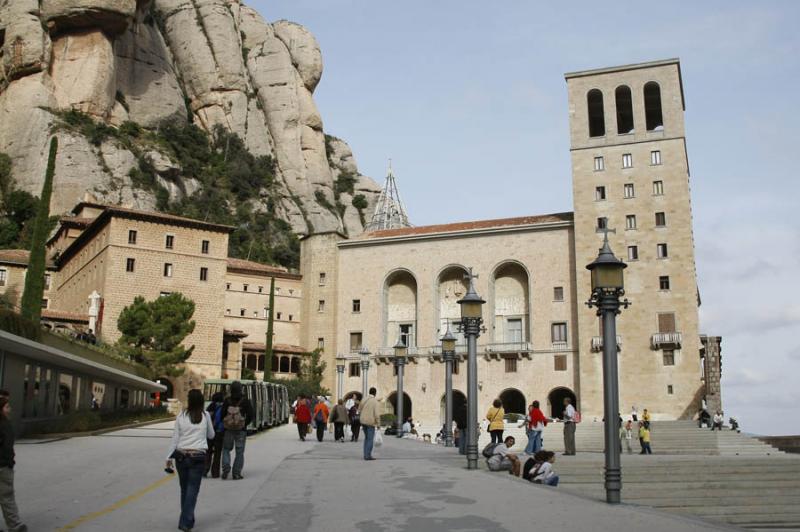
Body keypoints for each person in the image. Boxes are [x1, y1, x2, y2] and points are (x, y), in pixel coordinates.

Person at [165, 389, 214, 532]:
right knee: (192, 490)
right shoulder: (205, 416)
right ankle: (186, 521)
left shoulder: (181, 416)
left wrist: (168, 457)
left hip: (181, 457)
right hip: (198, 457)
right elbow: (211, 435)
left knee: (184, 489)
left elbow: (175, 438)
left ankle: (188, 518)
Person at [0, 396, 27, 532]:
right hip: (3, 466)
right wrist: (9, 462)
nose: (9, 410)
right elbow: (6, 447)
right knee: (7, 496)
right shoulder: (4, 425)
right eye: (7, 407)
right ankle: (15, 525)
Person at [220, 381, 253, 480]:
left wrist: (226, 423)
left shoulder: (227, 401)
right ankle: (236, 473)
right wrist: (244, 424)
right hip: (241, 430)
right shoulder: (245, 401)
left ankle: (226, 468)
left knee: (226, 449)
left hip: (228, 429)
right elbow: (251, 415)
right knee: (239, 451)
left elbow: (222, 414)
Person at [204, 392, 225, 478]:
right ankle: (215, 473)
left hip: (209, 433)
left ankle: (204, 470)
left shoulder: (209, 407)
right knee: (217, 453)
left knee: (208, 452)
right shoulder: (223, 408)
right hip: (219, 432)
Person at [358, 387, 381, 460]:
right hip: (370, 422)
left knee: (366, 438)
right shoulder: (375, 402)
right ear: (375, 393)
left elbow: (359, 409)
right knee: (370, 439)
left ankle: (365, 454)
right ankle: (367, 455)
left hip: (363, 421)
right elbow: (377, 414)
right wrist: (378, 424)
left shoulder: (364, 399)